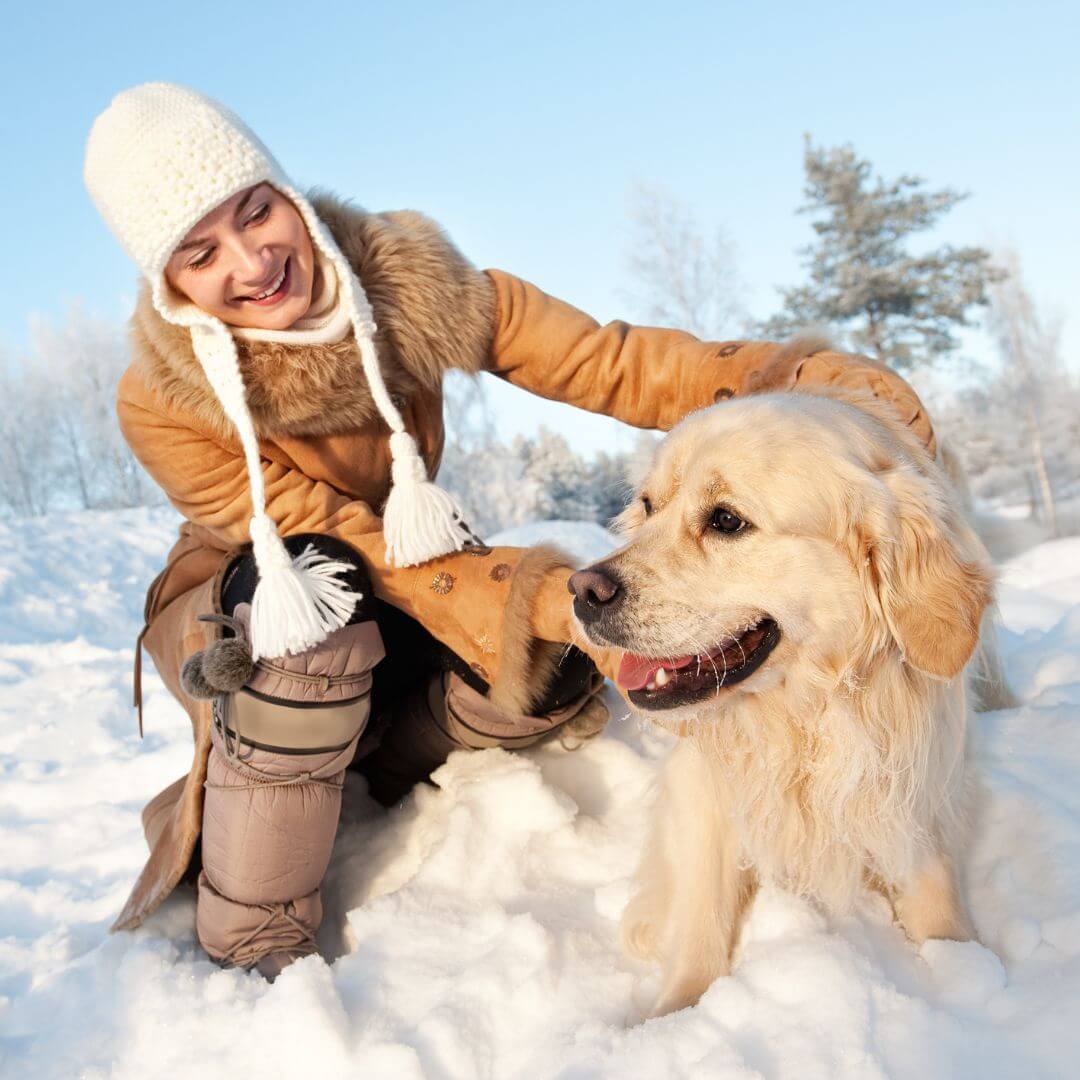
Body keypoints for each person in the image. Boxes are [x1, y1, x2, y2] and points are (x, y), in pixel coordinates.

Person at [83, 82, 935, 978]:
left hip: (402, 576)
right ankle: (252, 935)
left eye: (257, 213)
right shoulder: (163, 398)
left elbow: (605, 360)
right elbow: (337, 537)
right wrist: (518, 592)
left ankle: (378, 763)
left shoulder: (410, 287)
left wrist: (785, 373)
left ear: (287, 196)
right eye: (201, 252)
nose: (253, 262)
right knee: (326, 621)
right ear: (170, 282)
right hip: (263, 597)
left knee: (557, 668)